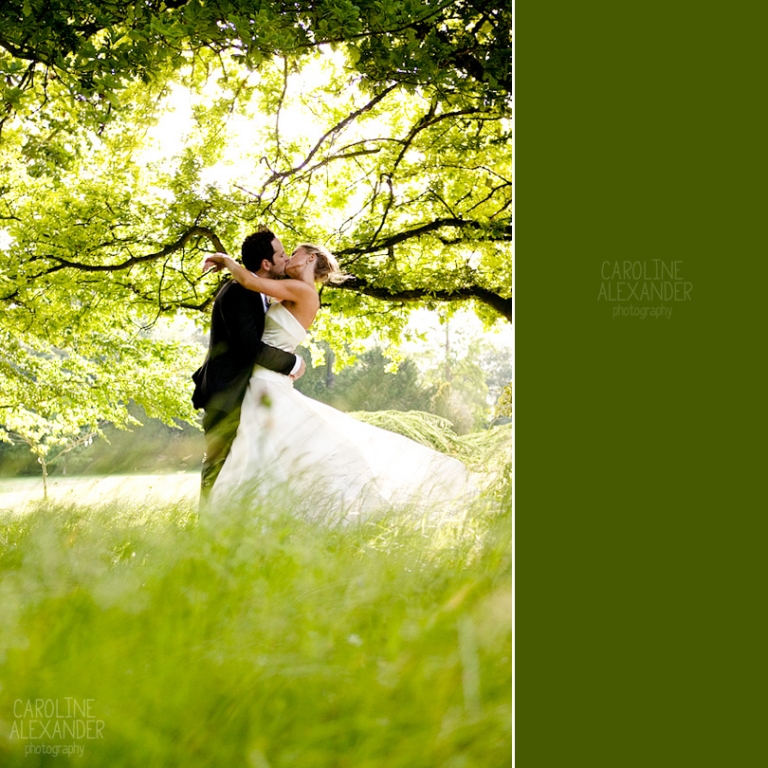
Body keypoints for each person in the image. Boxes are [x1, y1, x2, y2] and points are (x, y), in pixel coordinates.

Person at [202, 243, 475, 520]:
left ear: (309, 258)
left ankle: (241, 517)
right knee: (262, 453)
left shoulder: (303, 291)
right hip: (263, 383)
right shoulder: (294, 288)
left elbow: (248, 279)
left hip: (267, 383)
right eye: (282, 254)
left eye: (293, 253)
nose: (287, 259)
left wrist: (225, 260)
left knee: (264, 451)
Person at [192, 229, 305, 499]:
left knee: (242, 465)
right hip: (226, 393)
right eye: (281, 254)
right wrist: (292, 363)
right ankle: (204, 528)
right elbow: (249, 348)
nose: (286, 258)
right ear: (266, 264)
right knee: (219, 464)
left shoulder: (256, 291)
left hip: (246, 392)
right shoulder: (237, 292)